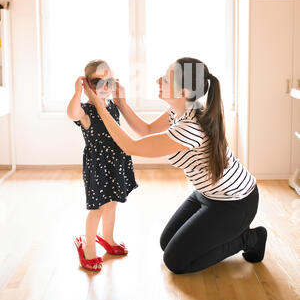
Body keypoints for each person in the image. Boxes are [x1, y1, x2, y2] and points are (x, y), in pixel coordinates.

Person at [83, 56, 267, 274]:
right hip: (205, 194)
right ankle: (224, 231)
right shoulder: (182, 109)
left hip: (235, 203)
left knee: (176, 261)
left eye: (167, 80)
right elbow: (148, 130)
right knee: (166, 242)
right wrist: (121, 103)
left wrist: (99, 106)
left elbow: (130, 146)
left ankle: (250, 238)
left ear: (183, 93)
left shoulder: (190, 128)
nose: (158, 81)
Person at [67, 59, 138, 271]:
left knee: (113, 203)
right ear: (87, 84)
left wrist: (122, 96)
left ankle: (108, 237)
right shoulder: (86, 109)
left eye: (111, 81)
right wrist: (77, 92)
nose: (106, 87)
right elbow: (72, 113)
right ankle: (88, 248)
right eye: (99, 82)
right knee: (97, 207)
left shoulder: (113, 106)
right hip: (98, 166)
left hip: (116, 161)